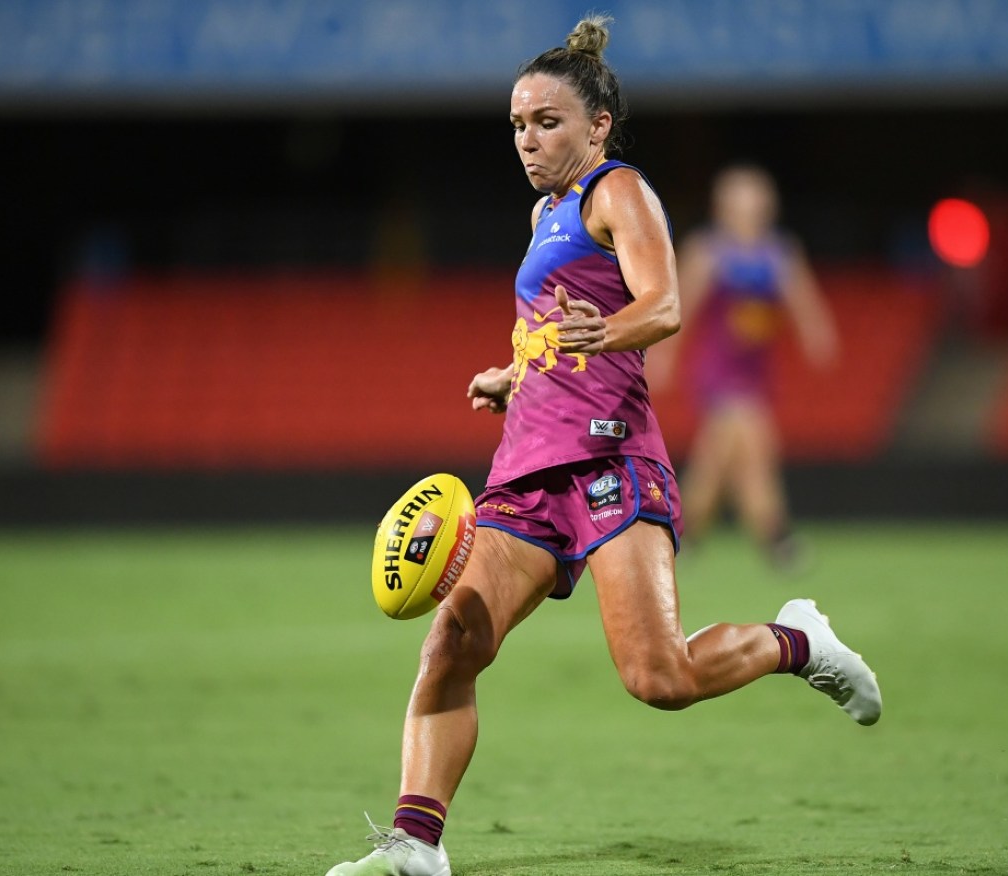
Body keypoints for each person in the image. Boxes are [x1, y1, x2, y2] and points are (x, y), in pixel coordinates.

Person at [326, 17, 880, 876]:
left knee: (657, 680)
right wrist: (513, 373)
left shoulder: (617, 192)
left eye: (545, 122)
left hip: (612, 458)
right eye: (516, 124)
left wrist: (602, 333)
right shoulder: (545, 211)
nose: (526, 139)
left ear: (597, 128)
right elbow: (552, 326)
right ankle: (414, 845)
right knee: (452, 642)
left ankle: (796, 641)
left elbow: (663, 308)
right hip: (526, 465)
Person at [650, 164, 841, 568]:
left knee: (717, 461)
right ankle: (777, 538)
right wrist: (665, 354)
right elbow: (680, 306)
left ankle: (681, 535)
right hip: (717, 370)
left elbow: (803, 300)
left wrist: (817, 332)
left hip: (755, 372)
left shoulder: (779, 253)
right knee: (756, 445)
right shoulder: (709, 251)